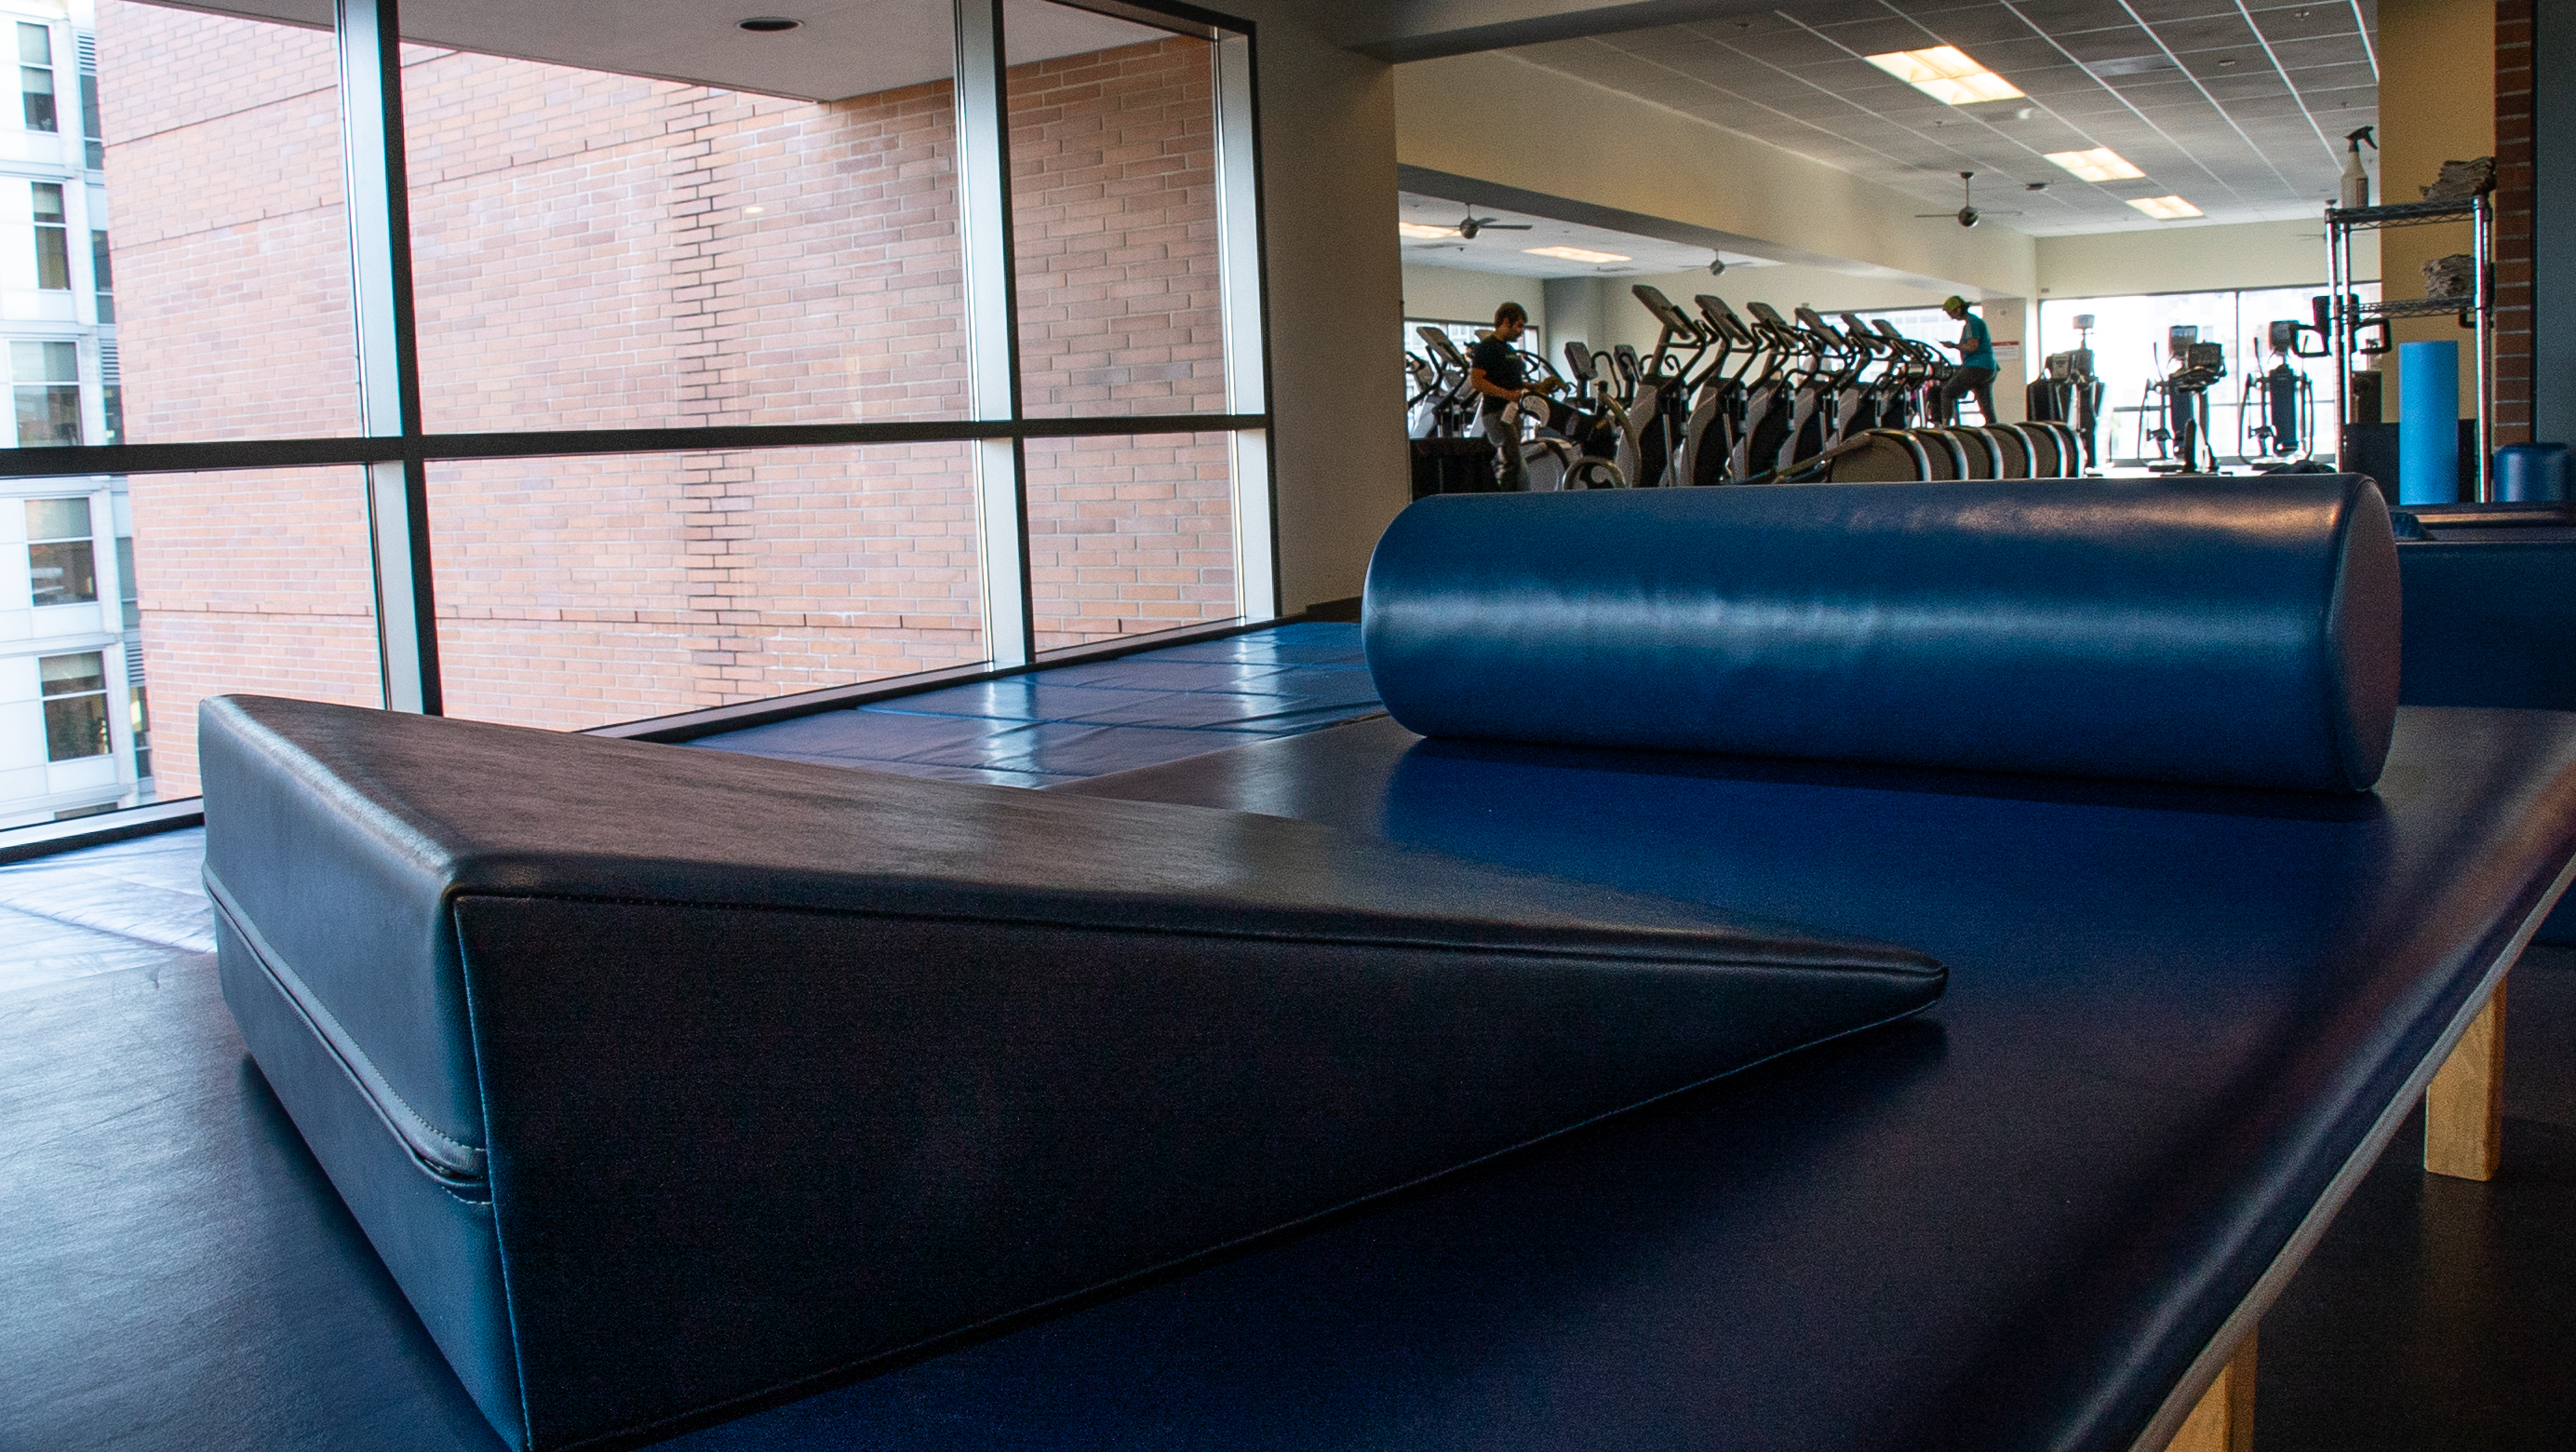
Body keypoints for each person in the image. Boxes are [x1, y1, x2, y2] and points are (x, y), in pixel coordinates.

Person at [1469, 302, 1534, 491]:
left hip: (1512, 412)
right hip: (1497, 412)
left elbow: (1512, 383)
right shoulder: (1487, 348)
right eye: (1519, 326)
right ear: (1506, 321)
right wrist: (1506, 394)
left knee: (1515, 461)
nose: (1521, 332)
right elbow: (1477, 382)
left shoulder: (1508, 350)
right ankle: (1508, 504)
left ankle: (1520, 500)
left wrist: (1536, 386)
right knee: (1510, 462)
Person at [1934, 295, 1997, 426]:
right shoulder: (1975, 321)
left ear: (1958, 309)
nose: (1950, 316)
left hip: (1976, 366)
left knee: (1947, 392)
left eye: (1950, 312)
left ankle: (1945, 427)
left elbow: (1972, 347)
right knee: (1986, 406)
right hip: (1988, 367)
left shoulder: (1971, 324)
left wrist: (1953, 346)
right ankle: (1994, 430)